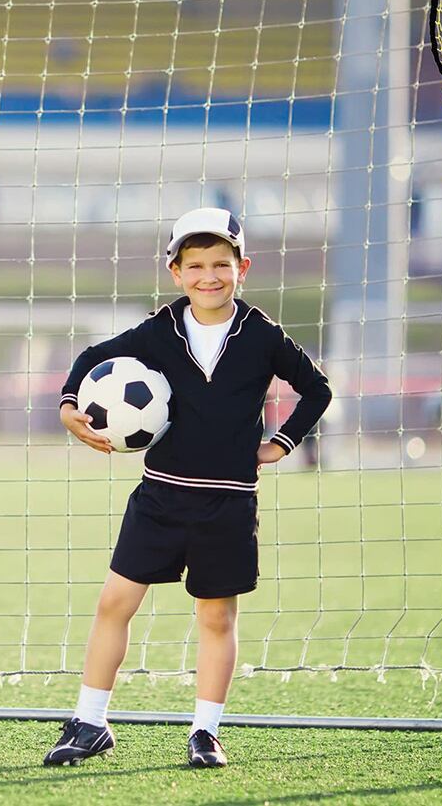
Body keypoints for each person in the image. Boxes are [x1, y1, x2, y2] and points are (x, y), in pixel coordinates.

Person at [43, 207, 332, 769]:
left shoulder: (262, 335)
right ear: (176, 272)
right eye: (195, 265)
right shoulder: (159, 331)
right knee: (114, 603)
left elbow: (316, 390)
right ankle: (89, 722)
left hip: (228, 501)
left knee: (216, 618)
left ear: (242, 268)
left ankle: (205, 732)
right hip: (160, 496)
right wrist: (69, 405)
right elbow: (92, 358)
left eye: (221, 264)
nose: (209, 276)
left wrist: (281, 443)